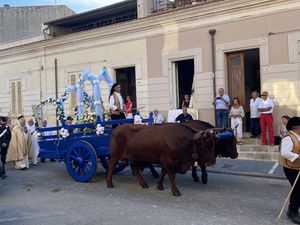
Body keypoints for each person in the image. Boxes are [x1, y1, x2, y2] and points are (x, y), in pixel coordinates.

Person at [279, 117, 300, 224]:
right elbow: (285, 152)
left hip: (298, 167)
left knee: (297, 190)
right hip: (291, 168)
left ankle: (293, 210)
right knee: (298, 190)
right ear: (296, 127)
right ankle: (293, 211)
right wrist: (298, 156)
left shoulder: (298, 136)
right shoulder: (288, 138)